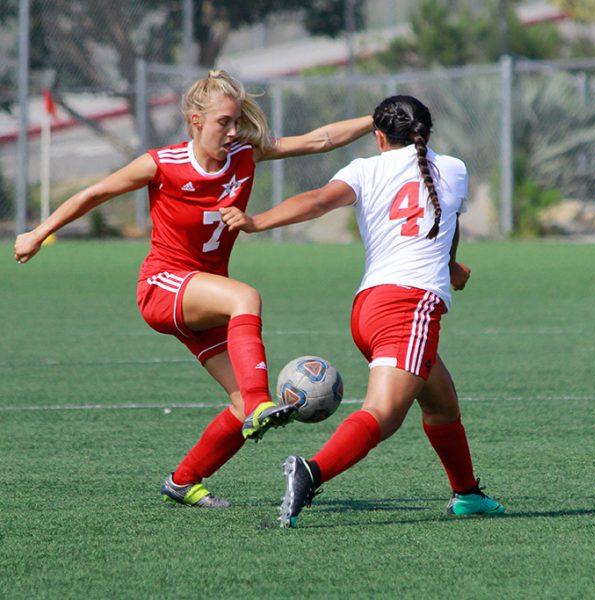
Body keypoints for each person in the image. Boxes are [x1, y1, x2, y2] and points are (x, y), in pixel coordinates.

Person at [13, 70, 373, 508]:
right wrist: (37, 232)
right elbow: (94, 194)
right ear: (195, 120)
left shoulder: (243, 156)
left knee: (239, 404)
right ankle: (263, 402)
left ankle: (184, 480)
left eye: (237, 120)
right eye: (224, 121)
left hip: (203, 297)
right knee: (246, 298)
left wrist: (375, 120)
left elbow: (319, 140)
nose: (233, 130)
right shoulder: (162, 164)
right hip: (162, 287)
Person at [221, 94, 505, 527]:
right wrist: (449, 266)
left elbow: (317, 201)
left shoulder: (364, 169)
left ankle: (467, 493)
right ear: (427, 134)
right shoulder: (454, 168)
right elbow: (445, 222)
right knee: (384, 414)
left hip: (368, 308)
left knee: (442, 403)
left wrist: (256, 221)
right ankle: (310, 472)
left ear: (378, 137)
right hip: (409, 306)